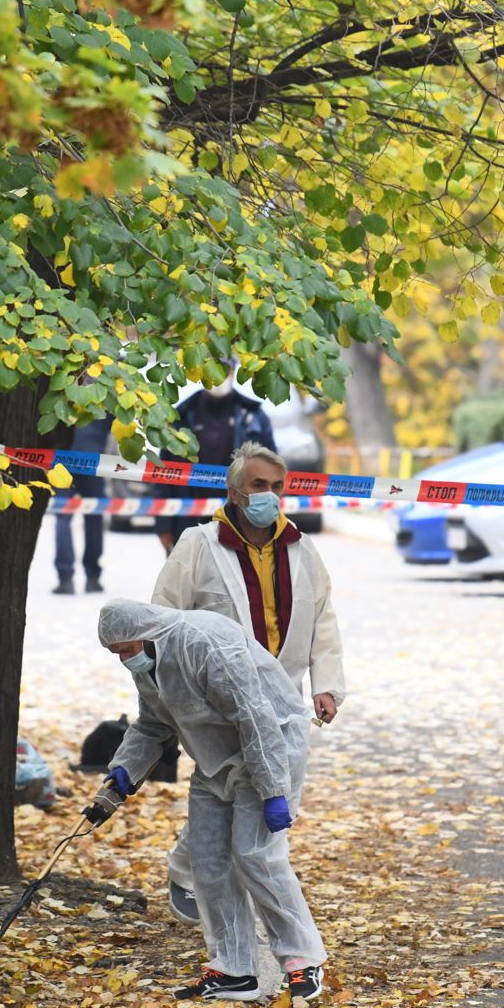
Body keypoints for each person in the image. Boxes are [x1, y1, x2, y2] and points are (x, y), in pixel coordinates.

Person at [91, 598, 329, 1003]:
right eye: (118, 655)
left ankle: (303, 960)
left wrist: (273, 790)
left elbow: (254, 716)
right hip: (214, 759)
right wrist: (123, 772)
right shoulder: (149, 662)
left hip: (271, 748)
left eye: (127, 650)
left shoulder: (205, 642)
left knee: (256, 855)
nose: (125, 661)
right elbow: (153, 724)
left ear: (147, 634)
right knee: (207, 860)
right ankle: (234, 969)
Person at [152, 443, 345, 924]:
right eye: (259, 486)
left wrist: (327, 684)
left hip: (282, 694)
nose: (270, 496)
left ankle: (253, 890)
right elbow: (163, 616)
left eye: (278, 487)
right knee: (225, 789)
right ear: (235, 492)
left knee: (276, 795)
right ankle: (190, 869)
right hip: (217, 699)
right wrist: (169, 689)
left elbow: (322, 618)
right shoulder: (199, 545)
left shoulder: (301, 548)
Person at [159, 373, 275, 552]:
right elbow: (163, 475)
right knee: (191, 578)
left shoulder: (254, 416)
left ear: (234, 371)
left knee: (240, 579)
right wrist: (163, 526)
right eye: (212, 367)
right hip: (190, 522)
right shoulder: (181, 416)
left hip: (241, 524)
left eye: (225, 368)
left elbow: (273, 474)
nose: (218, 374)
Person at [53, 414, 111, 595]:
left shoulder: (61, 390)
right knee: (94, 518)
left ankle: (65, 578)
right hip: (93, 462)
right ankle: (92, 577)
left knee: (63, 517)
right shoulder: (105, 391)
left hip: (64, 460)